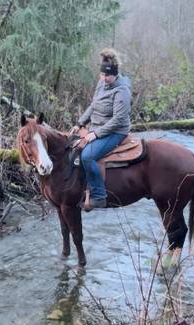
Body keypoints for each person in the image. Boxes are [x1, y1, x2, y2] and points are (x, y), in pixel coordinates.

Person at [70, 48, 132, 210]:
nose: (104, 78)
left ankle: (98, 195)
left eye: (107, 76)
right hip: (96, 127)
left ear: (115, 74)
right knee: (70, 146)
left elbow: (118, 120)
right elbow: (93, 105)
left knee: (87, 156)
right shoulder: (102, 83)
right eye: (102, 75)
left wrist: (95, 134)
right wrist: (80, 123)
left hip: (115, 131)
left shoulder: (122, 90)